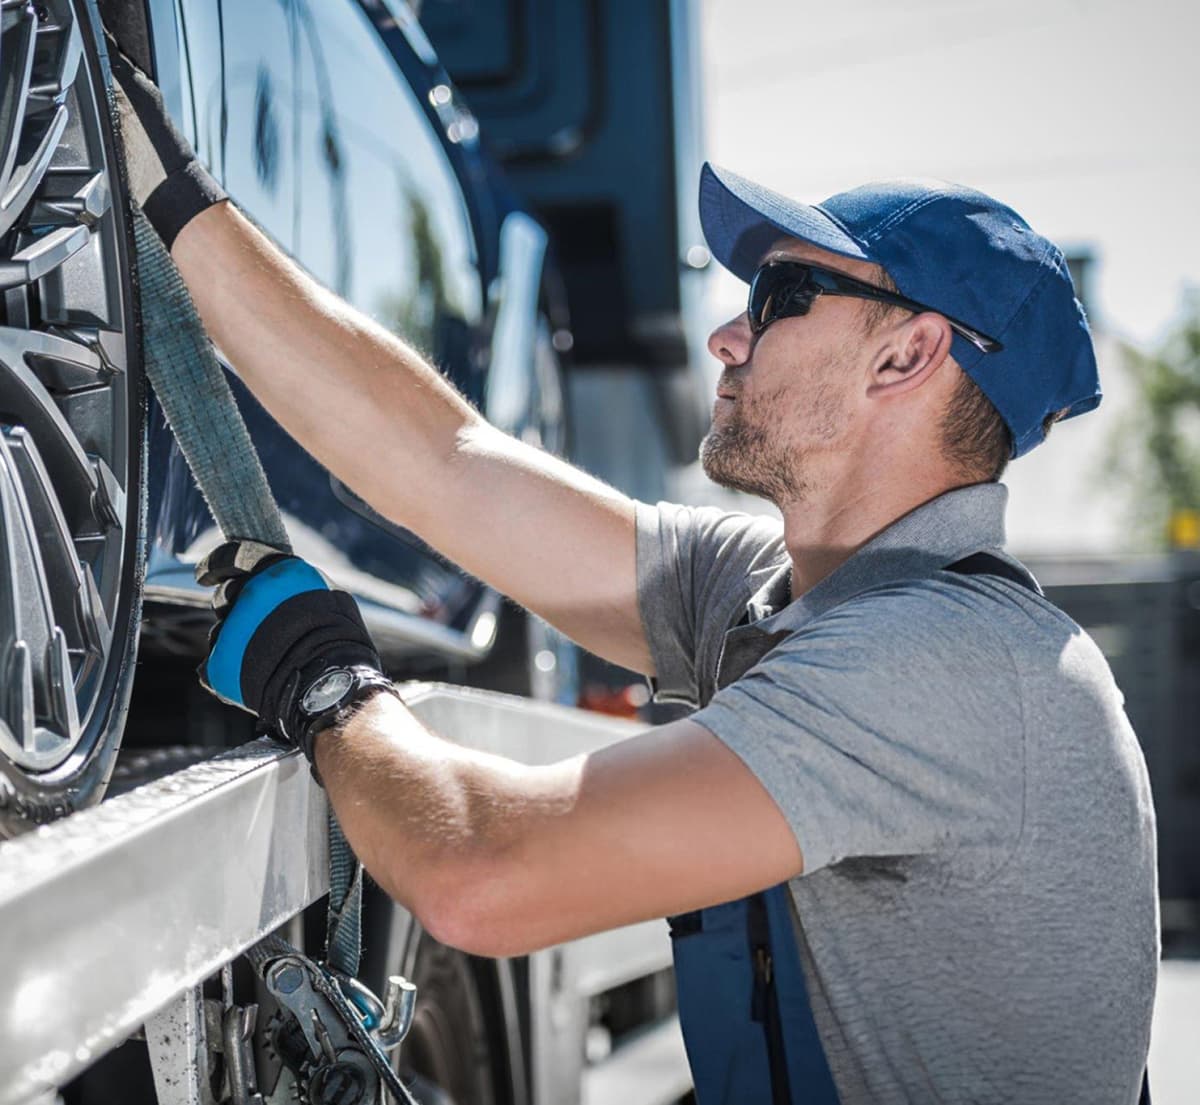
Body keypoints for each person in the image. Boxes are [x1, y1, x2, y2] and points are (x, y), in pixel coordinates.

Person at [112, 47, 1157, 1105]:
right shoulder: (801, 597)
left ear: (908, 357)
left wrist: (331, 688)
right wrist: (176, 202)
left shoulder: (950, 667)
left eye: (783, 292)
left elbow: (484, 872)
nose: (725, 332)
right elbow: (450, 466)